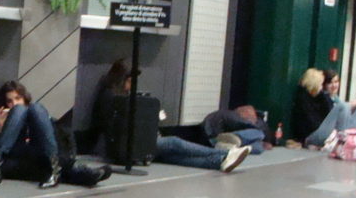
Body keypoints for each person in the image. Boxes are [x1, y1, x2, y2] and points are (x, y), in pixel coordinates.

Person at [90, 60, 251, 173]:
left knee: (175, 157)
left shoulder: (118, 97)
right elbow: (114, 127)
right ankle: (224, 154)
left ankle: (219, 162)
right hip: (123, 144)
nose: (132, 86)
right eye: (130, 81)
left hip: (133, 141)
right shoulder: (111, 98)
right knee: (174, 143)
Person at [201, 105, 270, 154]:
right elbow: (253, 126)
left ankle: (231, 148)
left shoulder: (232, 118)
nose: (254, 120)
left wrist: (262, 142)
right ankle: (236, 137)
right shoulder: (230, 115)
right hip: (216, 138)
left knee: (259, 147)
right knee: (259, 133)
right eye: (252, 117)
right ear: (243, 113)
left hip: (222, 142)